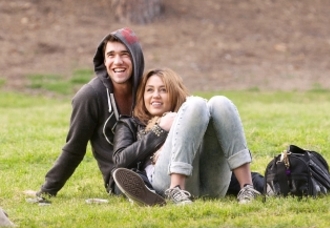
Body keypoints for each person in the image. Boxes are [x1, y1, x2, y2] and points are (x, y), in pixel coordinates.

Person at [111, 68, 261, 205]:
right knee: (196, 103)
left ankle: (247, 188)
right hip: (163, 182)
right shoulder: (130, 124)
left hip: (211, 184)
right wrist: (160, 130)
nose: (155, 95)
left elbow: (218, 157)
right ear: (143, 95)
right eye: (150, 90)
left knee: (220, 102)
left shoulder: (193, 117)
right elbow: (120, 160)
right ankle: (176, 188)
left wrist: (268, 183)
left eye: (163, 90)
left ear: (175, 93)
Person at [35, 27, 146, 200]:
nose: (117, 61)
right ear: (104, 60)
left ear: (136, 57)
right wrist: (47, 190)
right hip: (121, 179)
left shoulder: (151, 89)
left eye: (125, 54)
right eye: (111, 55)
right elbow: (74, 148)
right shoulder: (90, 96)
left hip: (157, 166)